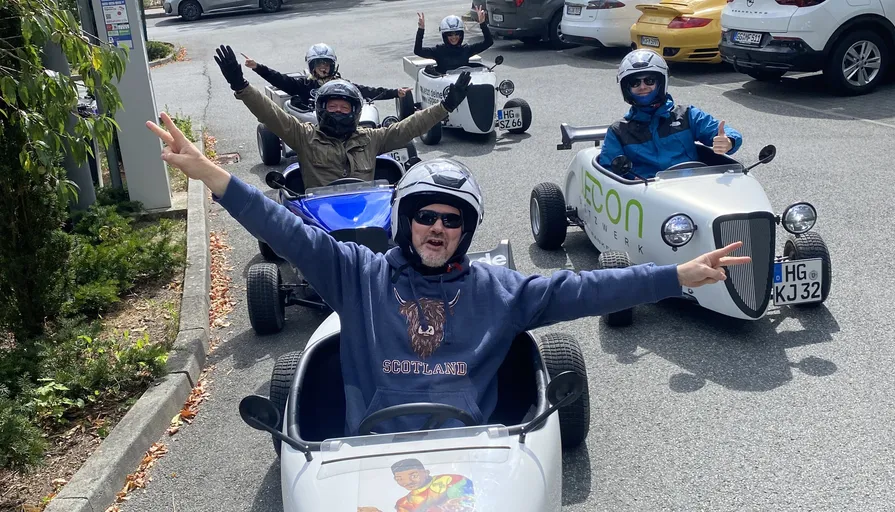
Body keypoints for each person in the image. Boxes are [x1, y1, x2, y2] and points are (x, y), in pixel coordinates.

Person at [146, 111, 752, 437]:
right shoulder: (356, 275)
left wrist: (677, 275)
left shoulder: (501, 291)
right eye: (426, 216)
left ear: (466, 230)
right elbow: (284, 229)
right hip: (364, 455)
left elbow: (587, 287)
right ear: (405, 222)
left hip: (475, 457)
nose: (437, 228)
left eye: (451, 220)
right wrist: (209, 174)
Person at [213, 44, 471, 190]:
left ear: (354, 111)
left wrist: (446, 105)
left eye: (344, 108)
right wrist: (241, 86)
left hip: (368, 216)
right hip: (320, 224)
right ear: (321, 110)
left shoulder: (371, 139)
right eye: (332, 107)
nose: (338, 111)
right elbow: (270, 114)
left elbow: (409, 127)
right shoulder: (303, 136)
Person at [598, 49, 744, 179]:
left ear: (661, 83)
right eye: (634, 83)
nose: (643, 86)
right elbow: (608, 171)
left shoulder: (686, 115)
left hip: (693, 187)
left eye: (649, 80)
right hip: (645, 194)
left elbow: (724, 131)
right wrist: (630, 180)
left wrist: (728, 141)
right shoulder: (618, 131)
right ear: (627, 88)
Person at [241, 43, 410, 111]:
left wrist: (395, 92)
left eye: (327, 63)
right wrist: (257, 67)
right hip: (312, 128)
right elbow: (278, 79)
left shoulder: (341, 84)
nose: (323, 67)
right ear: (312, 66)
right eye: (319, 64)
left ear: (332, 65)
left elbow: (366, 91)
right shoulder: (303, 85)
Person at [414, 7, 493, 73]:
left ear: (461, 35)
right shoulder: (439, 51)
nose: (454, 37)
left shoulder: (466, 49)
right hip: (443, 86)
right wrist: (421, 29)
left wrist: (482, 24)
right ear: (444, 36)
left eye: (457, 34)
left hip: (464, 85)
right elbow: (418, 50)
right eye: (450, 34)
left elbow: (488, 42)